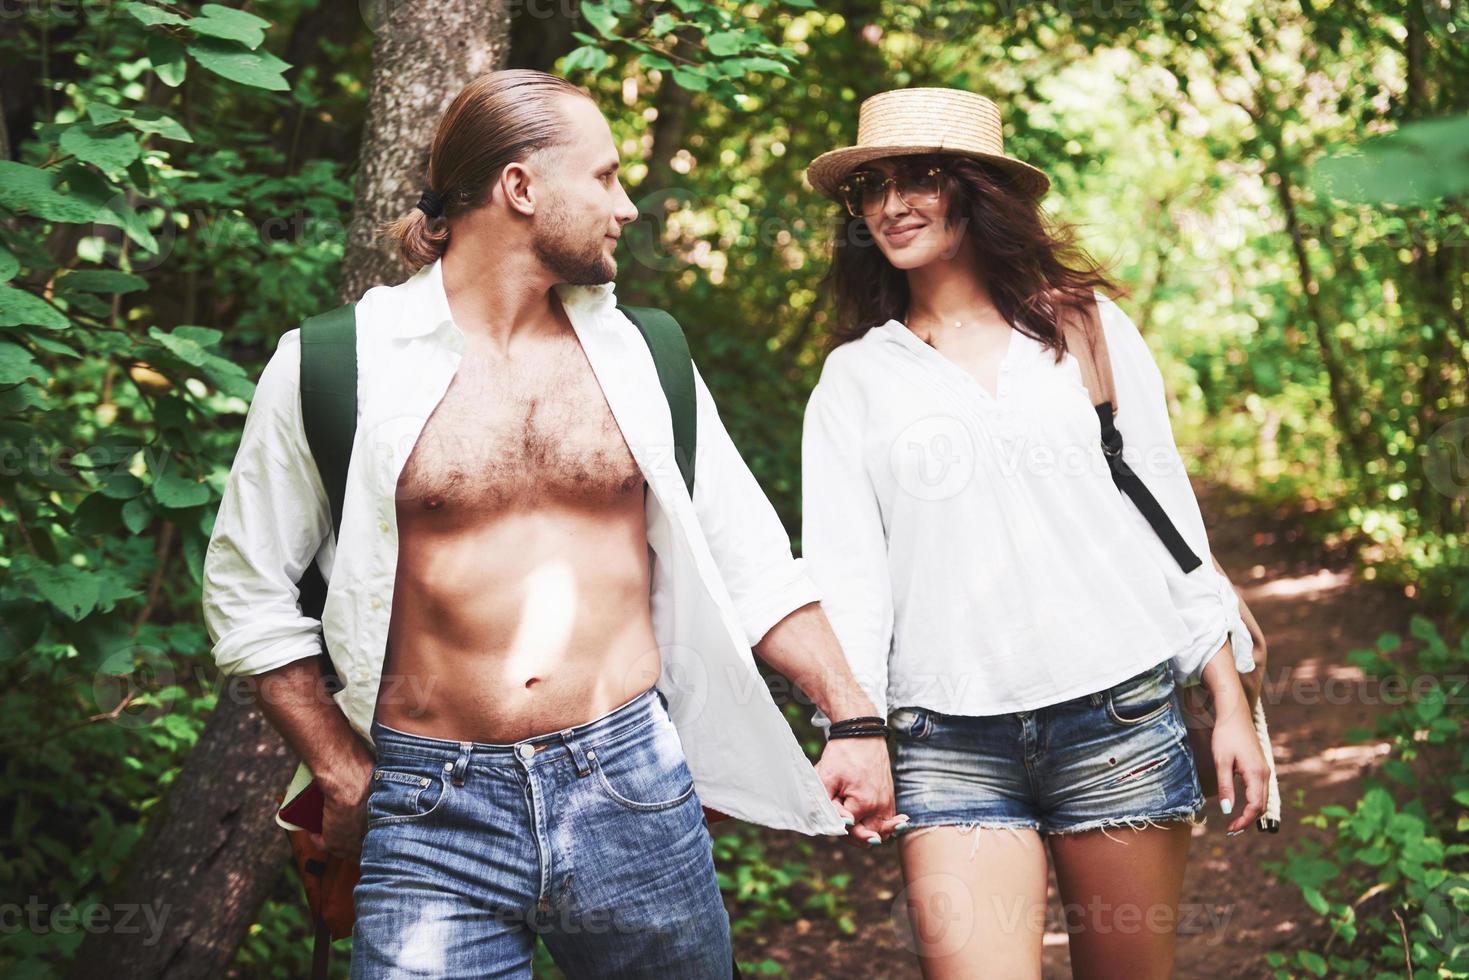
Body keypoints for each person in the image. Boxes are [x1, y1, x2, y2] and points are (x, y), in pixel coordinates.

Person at [202, 69, 902, 980]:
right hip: (425, 811)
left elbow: (752, 563)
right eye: (606, 178)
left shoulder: (644, 355)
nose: (630, 207)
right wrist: (339, 770)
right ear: (521, 188)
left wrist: (854, 719)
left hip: (632, 785)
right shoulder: (335, 366)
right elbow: (245, 593)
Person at [799, 87, 1271, 979]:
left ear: (976, 190)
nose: (892, 205)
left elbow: (1166, 516)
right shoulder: (854, 378)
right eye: (872, 188)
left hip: (1117, 719)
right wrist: (852, 728)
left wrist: (1228, 700)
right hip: (946, 742)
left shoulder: (1082, 328)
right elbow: (847, 579)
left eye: (922, 178)